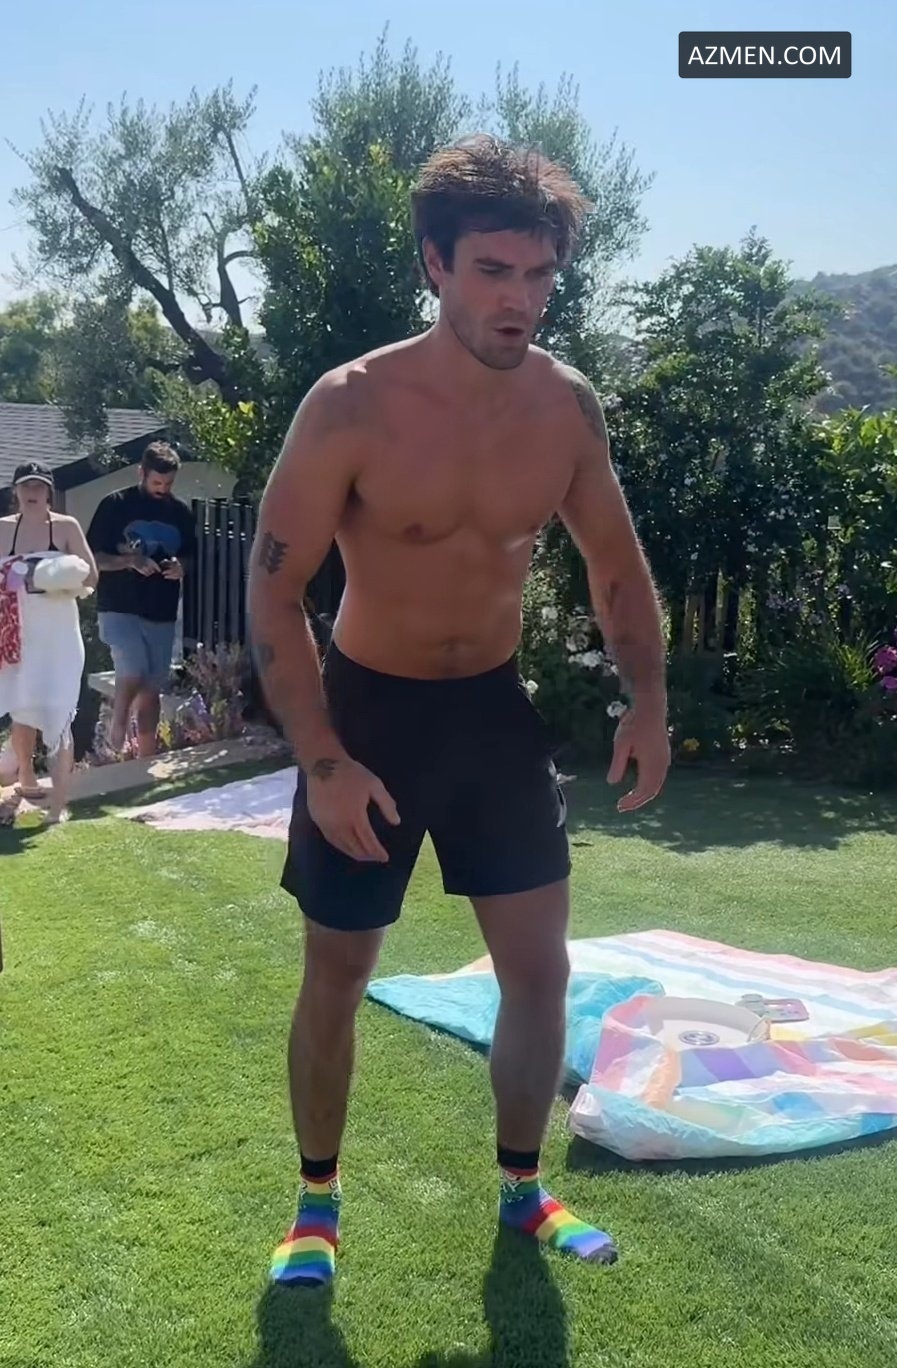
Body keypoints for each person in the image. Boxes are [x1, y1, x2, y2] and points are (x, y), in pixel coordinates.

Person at [248, 134, 671, 1289]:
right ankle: (316, 1205)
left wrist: (647, 699)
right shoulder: (352, 406)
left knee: (540, 970)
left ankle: (525, 1190)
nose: (518, 299)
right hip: (368, 717)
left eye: (538, 276)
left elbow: (616, 567)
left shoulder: (564, 409)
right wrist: (322, 759)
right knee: (338, 969)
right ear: (436, 265)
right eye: (492, 271)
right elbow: (275, 590)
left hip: (492, 715)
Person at [0, 460, 98, 822]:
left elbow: (91, 577)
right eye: (26, 486)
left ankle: (58, 808)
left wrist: (51, 580)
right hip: (18, 638)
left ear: (49, 492)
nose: (32, 492)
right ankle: (25, 776)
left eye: (39, 486)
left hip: (59, 639)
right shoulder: (2, 529)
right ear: (15, 491)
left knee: (59, 714)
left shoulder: (66, 527)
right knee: (21, 708)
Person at [87, 441, 196, 756]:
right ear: (141, 473)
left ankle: (145, 758)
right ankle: (119, 721)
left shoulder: (180, 512)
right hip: (119, 605)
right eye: (156, 482)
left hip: (161, 609)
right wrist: (130, 561)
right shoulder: (115, 505)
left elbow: (191, 556)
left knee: (151, 688)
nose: (162, 489)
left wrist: (181, 567)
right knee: (133, 667)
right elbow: (94, 557)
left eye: (168, 483)